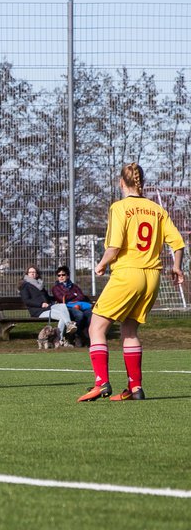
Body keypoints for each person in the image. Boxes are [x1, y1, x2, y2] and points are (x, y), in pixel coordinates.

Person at [78, 162, 185, 402]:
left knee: (96, 327)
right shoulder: (156, 209)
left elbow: (114, 247)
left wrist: (102, 263)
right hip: (152, 277)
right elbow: (177, 243)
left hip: (128, 274)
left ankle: (101, 383)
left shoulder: (119, 207)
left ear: (120, 182)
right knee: (129, 329)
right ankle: (135, 388)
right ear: (141, 182)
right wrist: (177, 267)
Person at [19, 266, 73, 346]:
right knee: (62, 315)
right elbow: (27, 301)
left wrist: (55, 300)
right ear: (27, 274)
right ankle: (60, 339)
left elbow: (47, 298)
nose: (33, 273)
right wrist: (40, 304)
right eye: (31, 272)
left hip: (48, 307)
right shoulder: (25, 286)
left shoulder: (40, 284)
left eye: (34, 272)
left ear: (37, 274)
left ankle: (68, 327)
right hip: (38, 311)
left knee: (62, 306)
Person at [51, 265, 92, 344]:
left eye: (63, 275)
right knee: (79, 315)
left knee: (90, 313)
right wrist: (74, 295)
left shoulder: (74, 286)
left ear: (68, 275)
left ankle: (85, 333)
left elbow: (81, 296)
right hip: (66, 308)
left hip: (78, 306)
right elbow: (61, 299)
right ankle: (76, 335)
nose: (61, 277)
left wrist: (71, 298)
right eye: (59, 275)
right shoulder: (55, 288)